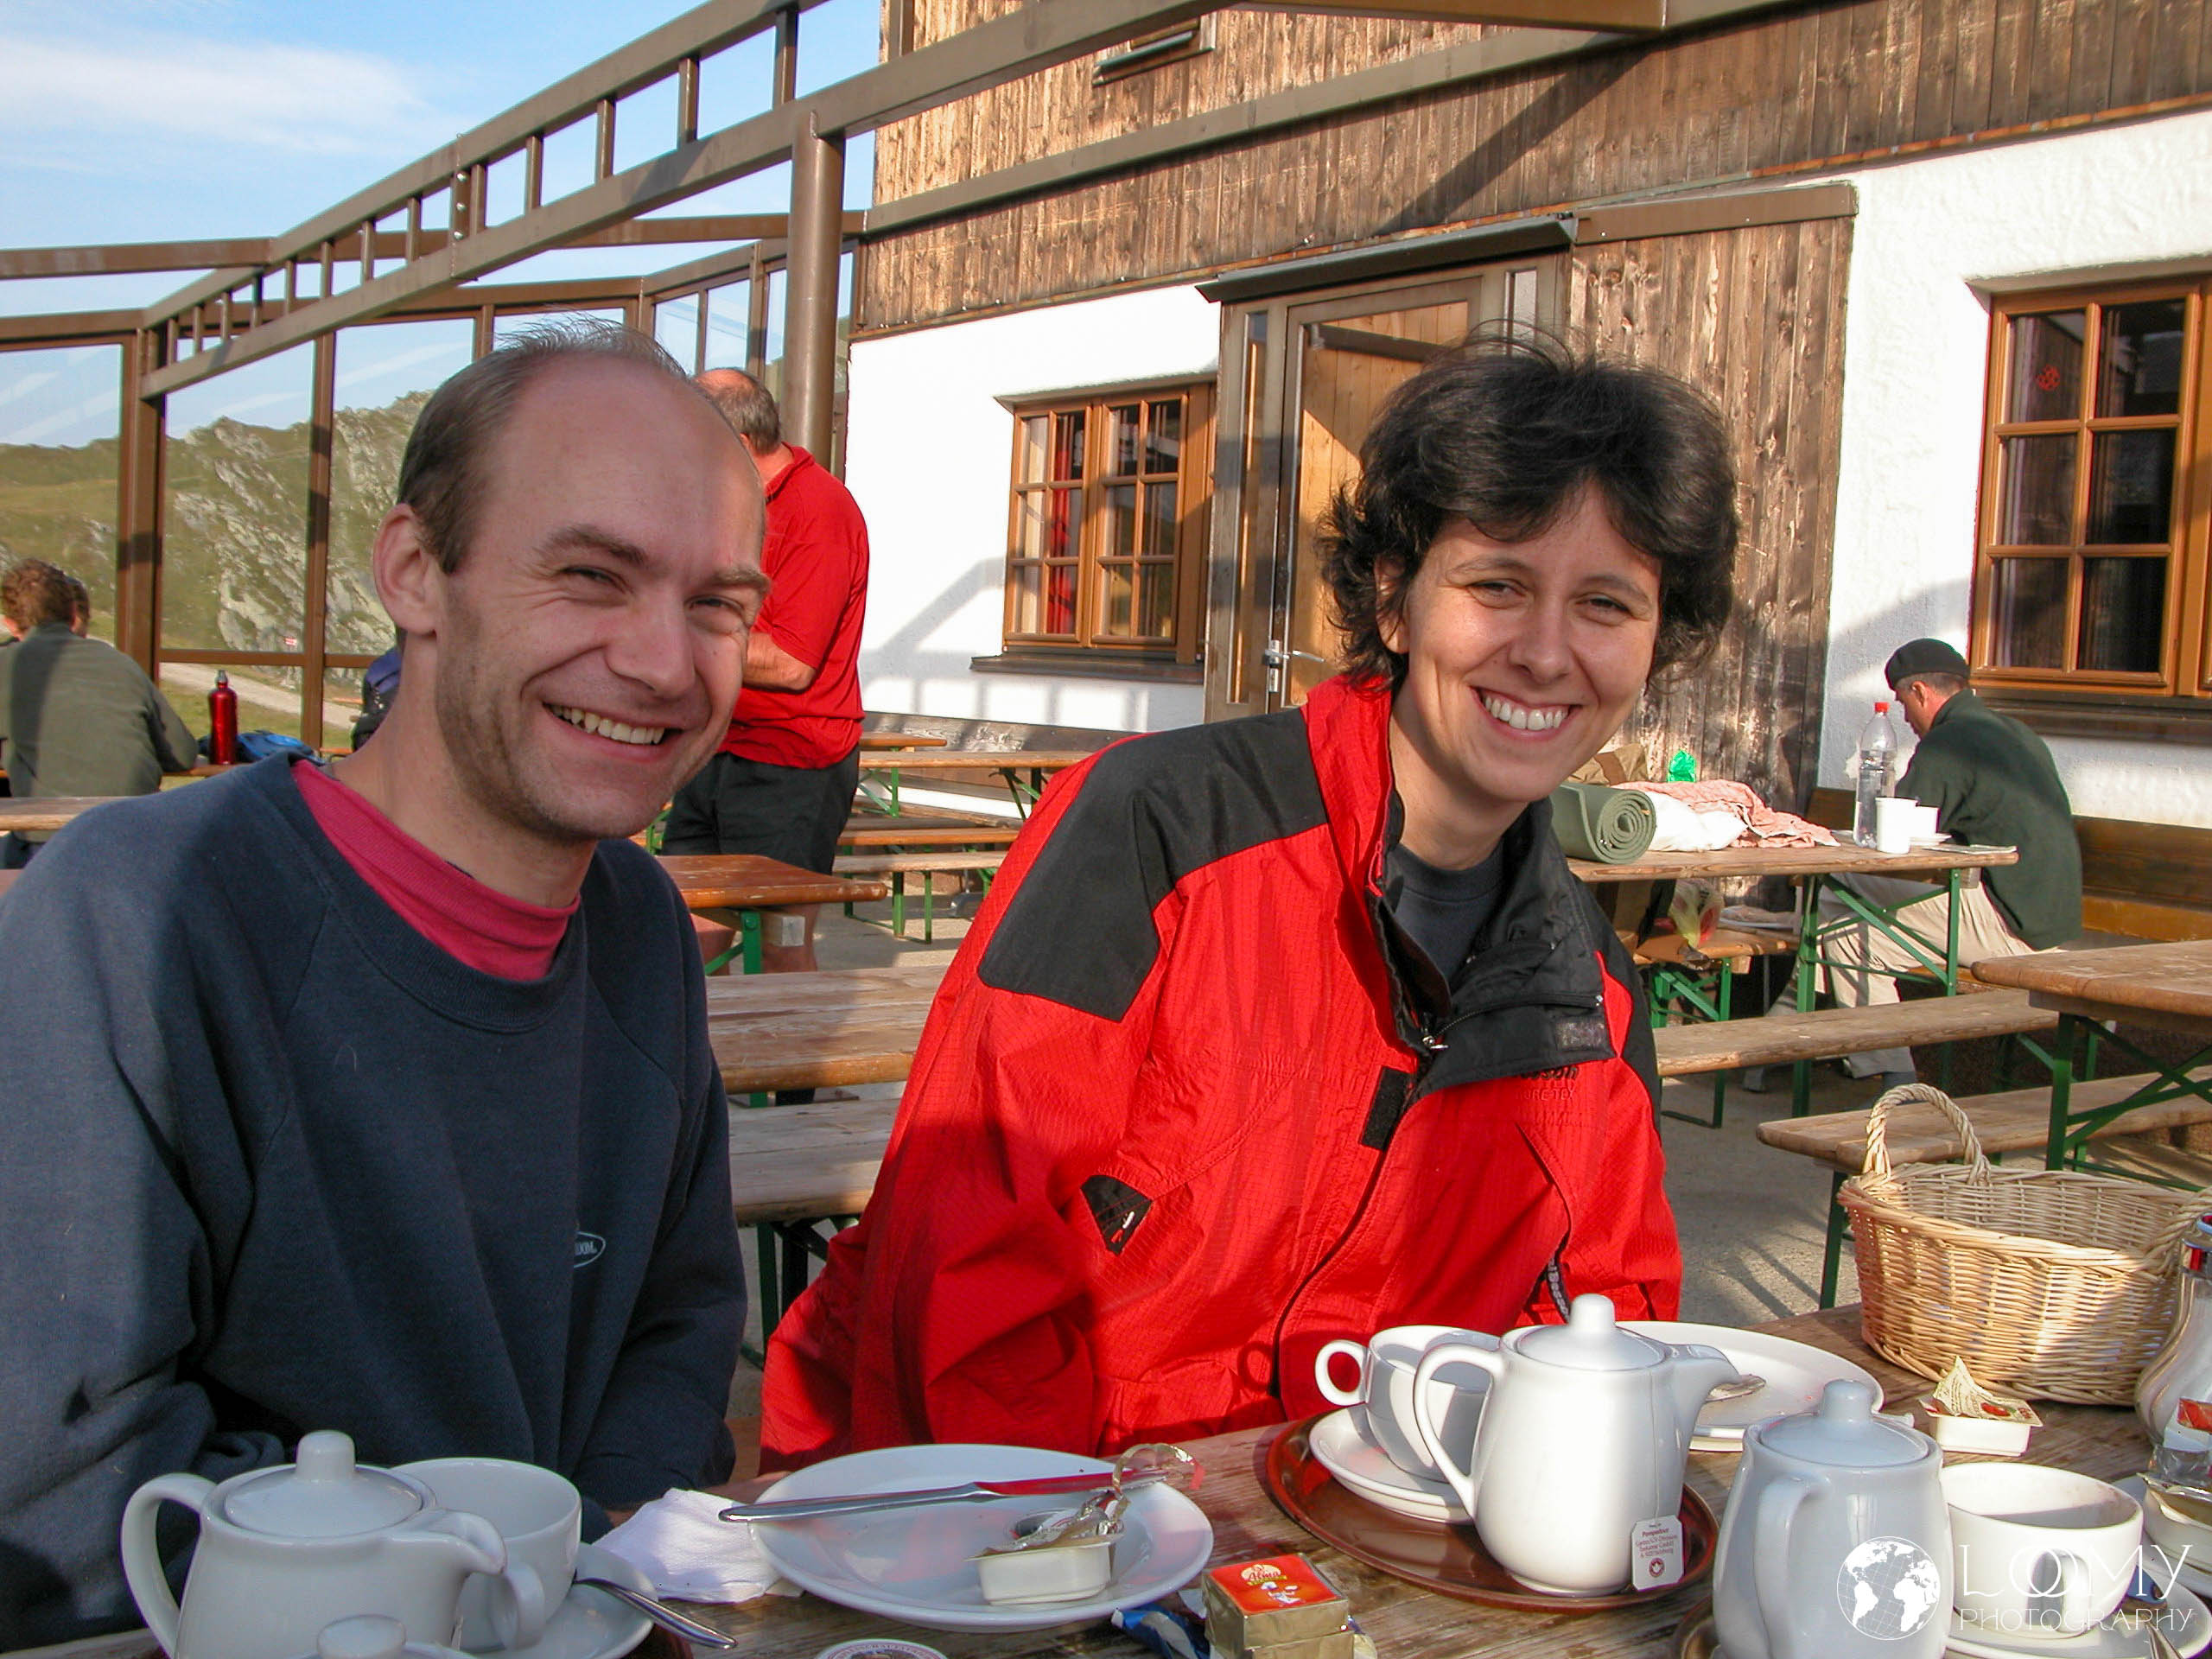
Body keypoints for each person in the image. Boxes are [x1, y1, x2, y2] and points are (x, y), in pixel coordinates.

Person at [760, 331, 1740, 1465]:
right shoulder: (1160, 830)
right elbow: (958, 1267)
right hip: (1039, 1503)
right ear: (1393, 597)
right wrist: (1110, 1543)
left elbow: (1605, 1326)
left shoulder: (1592, 996)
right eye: (1496, 586)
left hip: (1368, 1531)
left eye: (1607, 605)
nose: (1547, 652)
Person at [0, 321, 764, 1648]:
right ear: (414, 572)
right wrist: (487, 1588)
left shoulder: (638, 924)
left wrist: (580, 1578)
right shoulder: (140, 914)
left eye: (717, 605)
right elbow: (61, 1495)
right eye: (590, 575)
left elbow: (679, 1335)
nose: (662, 662)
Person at [661, 369, 868, 976]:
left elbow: (792, 664)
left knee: (780, 947)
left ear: (740, 443)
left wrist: (676, 626)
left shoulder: (818, 509)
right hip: (714, 746)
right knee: (688, 939)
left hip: (790, 766)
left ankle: (796, 1048)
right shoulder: (727, 502)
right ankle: (698, 1044)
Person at [1802, 638, 2081, 1084]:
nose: (1906, 719)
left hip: (2011, 926)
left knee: (1836, 883)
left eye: (1902, 704)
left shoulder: (1950, 742)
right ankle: (1878, 1068)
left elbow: (1895, 837)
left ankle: (1814, 1029)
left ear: (1920, 692)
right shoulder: (2013, 731)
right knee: (1851, 933)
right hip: (2045, 919)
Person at [0, 557, 194, 868]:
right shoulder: (121, 663)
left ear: (10, 624)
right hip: (137, 836)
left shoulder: (8, 665)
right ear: (72, 614)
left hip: (51, 841)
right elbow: (182, 755)